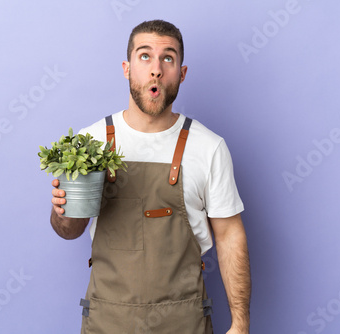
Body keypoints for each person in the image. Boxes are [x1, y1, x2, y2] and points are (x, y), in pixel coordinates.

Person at [50, 20, 250, 334]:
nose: (156, 69)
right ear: (127, 68)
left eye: (167, 58)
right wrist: (62, 210)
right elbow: (69, 231)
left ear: (181, 73)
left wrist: (240, 324)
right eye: (145, 56)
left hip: (185, 322)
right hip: (107, 321)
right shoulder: (88, 143)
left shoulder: (209, 148)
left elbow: (230, 237)